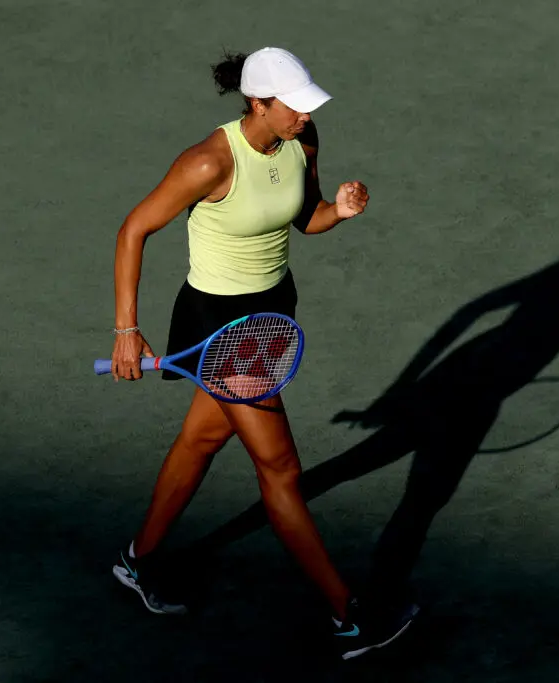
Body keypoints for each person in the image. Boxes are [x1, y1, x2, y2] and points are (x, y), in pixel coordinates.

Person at [106, 46, 417, 659]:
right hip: (222, 325)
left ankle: (136, 561)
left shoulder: (305, 139)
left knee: (202, 439)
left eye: (307, 105)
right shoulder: (207, 163)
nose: (305, 115)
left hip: (275, 311)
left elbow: (307, 219)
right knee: (280, 469)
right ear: (258, 104)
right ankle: (349, 617)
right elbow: (133, 229)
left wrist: (341, 212)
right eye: (293, 107)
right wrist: (125, 329)